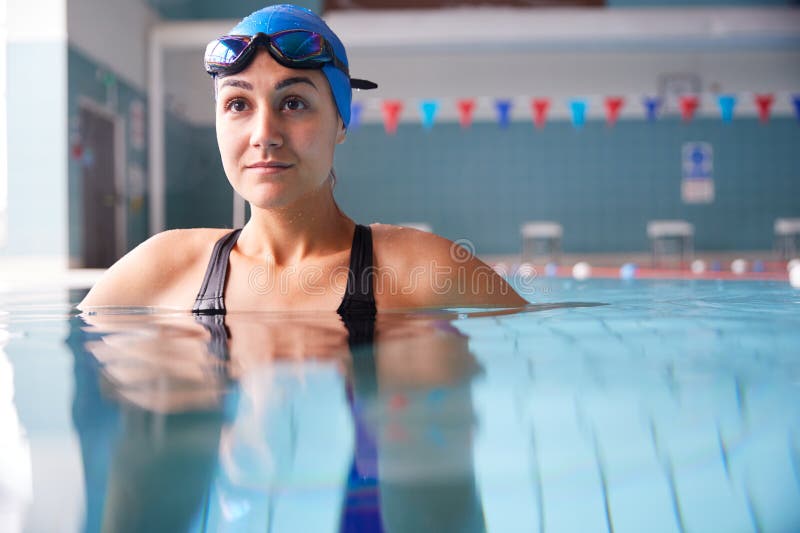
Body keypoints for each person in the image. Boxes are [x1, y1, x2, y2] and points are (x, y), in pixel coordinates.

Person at [78, 4, 527, 314]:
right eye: (238, 104)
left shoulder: (429, 274)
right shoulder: (161, 270)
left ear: (341, 122)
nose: (264, 136)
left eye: (293, 103)